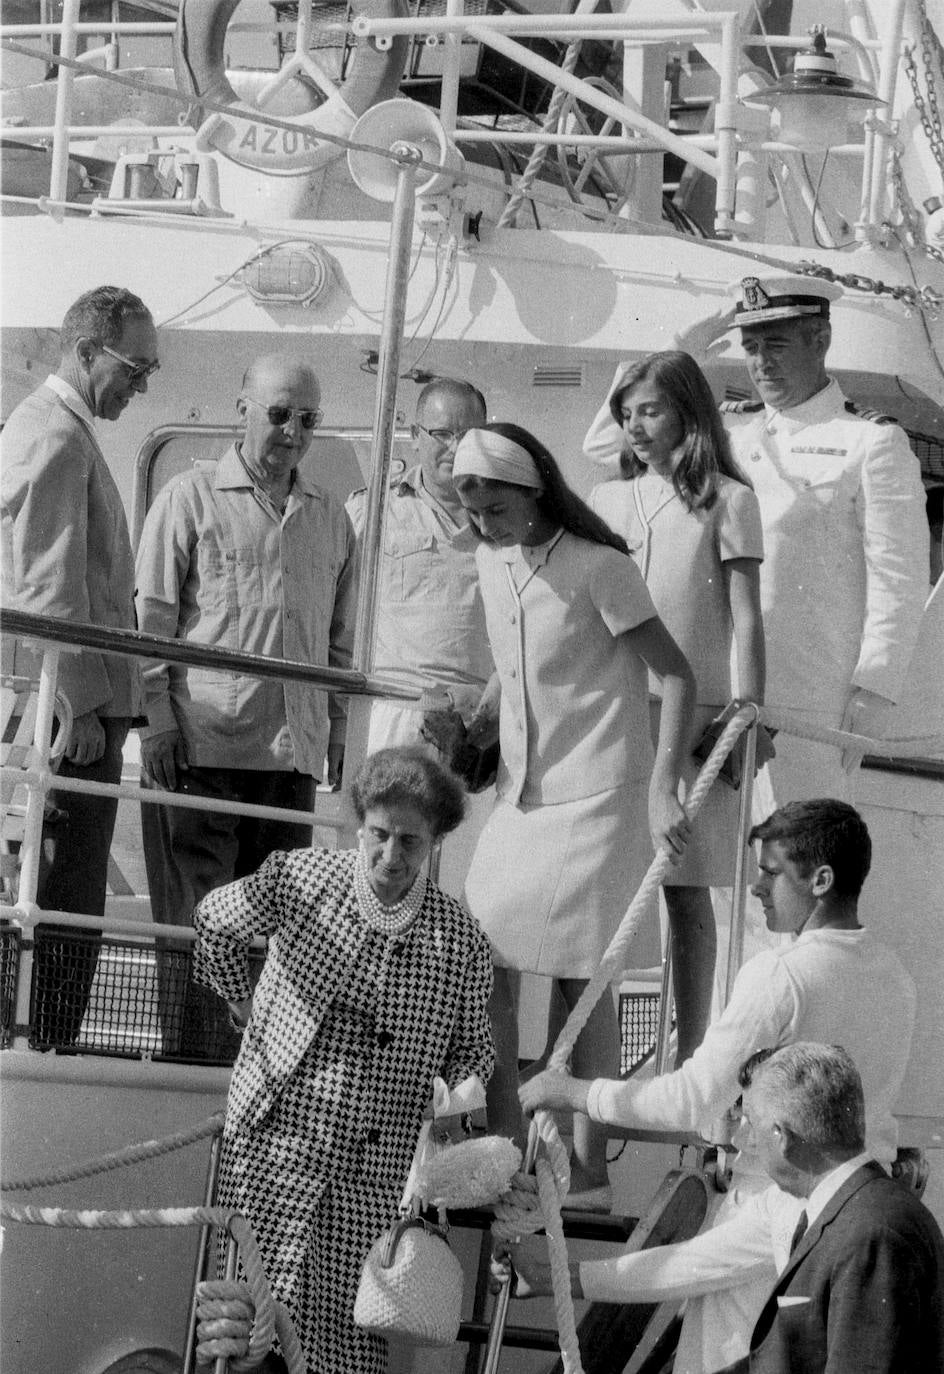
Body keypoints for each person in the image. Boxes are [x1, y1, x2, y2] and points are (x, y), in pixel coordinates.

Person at [519, 799, 917, 1372]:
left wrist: (575, 1092)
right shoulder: (897, 980)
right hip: (856, 1216)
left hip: (769, 1212)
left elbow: (690, 1100)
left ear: (821, 879)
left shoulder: (781, 976)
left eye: (771, 872)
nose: (756, 887)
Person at [453, 423, 696, 1207]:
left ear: (536, 492)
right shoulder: (494, 564)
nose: (484, 522)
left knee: (582, 982)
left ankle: (589, 1168)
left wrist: (664, 787)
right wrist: (473, 721)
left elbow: (678, 676)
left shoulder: (602, 567)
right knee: (482, 962)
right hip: (522, 799)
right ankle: (505, 1140)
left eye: (496, 506)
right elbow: (513, 662)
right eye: (473, 507)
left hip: (600, 798)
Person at [192, 746, 494, 1374]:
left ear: (435, 840)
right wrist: (241, 1003)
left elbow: (473, 1061)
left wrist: (446, 1161)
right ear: (360, 825)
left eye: (409, 842)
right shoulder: (301, 881)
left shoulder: (460, 943)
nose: (390, 856)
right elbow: (214, 922)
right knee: (241, 1343)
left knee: (340, 1359)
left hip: (370, 1188)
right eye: (379, 835)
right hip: (273, 1156)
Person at [582, 275, 929, 804]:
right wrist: (676, 354)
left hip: (809, 696)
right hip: (715, 692)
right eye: (750, 348)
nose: (760, 362)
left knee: (788, 856)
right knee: (715, 869)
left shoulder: (871, 442)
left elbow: (898, 578)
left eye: (777, 345)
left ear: (821, 341)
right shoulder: (729, 430)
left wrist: (874, 688)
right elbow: (604, 447)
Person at [134, 354, 357, 1058]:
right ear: (242, 407)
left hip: (289, 759)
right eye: (279, 414)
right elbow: (152, 622)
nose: (292, 431)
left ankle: (256, 1083)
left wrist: (338, 732)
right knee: (203, 937)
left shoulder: (330, 519)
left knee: (276, 943)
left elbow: (340, 641)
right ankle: (194, 1078)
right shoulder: (189, 497)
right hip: (200, 753)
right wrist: (160, 722)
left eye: (308, 420)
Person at [507, 1043, 944, 1374]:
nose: (738, 1141)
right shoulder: (814, 1206)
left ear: (782, 1136)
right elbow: (688, 1265)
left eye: (748, 1123)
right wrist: (549, 1277)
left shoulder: (874, 1233)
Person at [588, 350, 771, 1060]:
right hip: (617, 713)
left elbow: (747, 617)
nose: (636, 427)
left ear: (689, 412)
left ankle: (691, 1053)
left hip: (696, 722)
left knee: (685, 891)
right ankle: (593, 1050)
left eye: (651, 410)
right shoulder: (606, 502)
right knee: (609, 886)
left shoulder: (730, 500)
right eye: (627, 413)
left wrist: (748, 710)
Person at [0, 284, 159, 1046]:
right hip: (74, 718)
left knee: (65, 891)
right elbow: (44, 588)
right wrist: (84, 709)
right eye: (135, 367)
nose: (141, 385)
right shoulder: (57, 438)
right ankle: (42, 1043)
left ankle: (36, 1034)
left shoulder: (56, 429)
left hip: (73, 705)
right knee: (63, 897)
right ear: (88, 350)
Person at [344, 377, 494, 753]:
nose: (455, 447)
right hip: (389, 714)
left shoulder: (510, 521)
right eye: (442, 433)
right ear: (414, 435)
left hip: (475, 721)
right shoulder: (371, 511)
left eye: (469, 434)